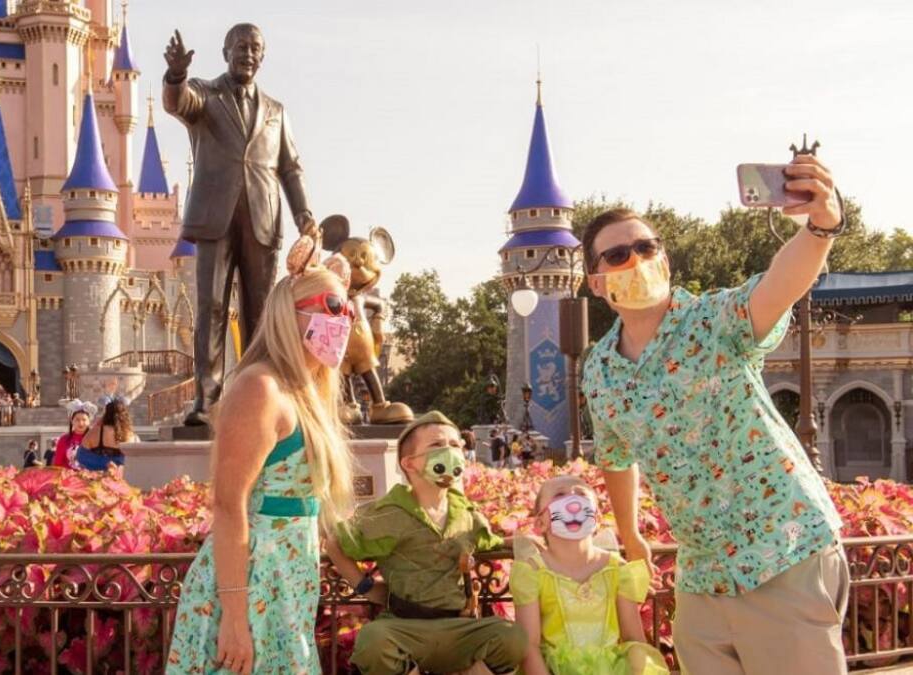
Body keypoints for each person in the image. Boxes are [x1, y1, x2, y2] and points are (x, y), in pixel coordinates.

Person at [581, 153, 847, 674]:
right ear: (596, 282)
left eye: (646, 247)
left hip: (782, 551)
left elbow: (779, 284)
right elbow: (615, 455)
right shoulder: (600, 372)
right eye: (617, 255)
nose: (636, 260)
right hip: (703, 577)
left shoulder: (714, 320)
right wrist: (631, 534)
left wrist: (821, 227)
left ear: (664, 258)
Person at [166, 267, 356, 675]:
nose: (345, 320)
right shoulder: (260, 387)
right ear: (290, 313)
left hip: (287, 586)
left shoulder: (307, 394)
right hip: (252, 588)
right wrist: (235, 619)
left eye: (350, 310)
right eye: (334, 306)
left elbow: (314, 510)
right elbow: (229, 504)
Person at [163, 23, 318, 427]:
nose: (248, 54)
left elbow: (291, 168)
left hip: (263, 217)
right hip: (215, 216)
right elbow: (178, 102)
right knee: (211, 306)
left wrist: (304, 214)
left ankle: (258, 392)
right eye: (241, 47)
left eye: (255, 48)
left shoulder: (276, 111)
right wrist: (176, 75)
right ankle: (207, 399)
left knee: (262, 312)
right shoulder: (205, 94)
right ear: (225, 50)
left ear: (262, 57)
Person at [326, 411, 527, 675]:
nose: (450, 450)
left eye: (456, 445)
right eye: (437, 445)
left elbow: (491, 542)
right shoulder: (388, 513)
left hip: (460, 627)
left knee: (512, 638)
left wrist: (526, 542)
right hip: (406, 627)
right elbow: (335, 543)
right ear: (409, 463)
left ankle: (471, 668)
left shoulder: (466, 513)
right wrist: (366, 587)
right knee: (373, 642)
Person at [511, 475, 668, 675]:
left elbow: (633, 638)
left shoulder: (617, 569)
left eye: (582, 494)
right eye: (560, 494)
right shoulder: (532, 572)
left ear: (597, 518)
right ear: (541, 521)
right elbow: (530, 646)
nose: (573, 501)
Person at [82, 396, 139, 469]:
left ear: (106, 414)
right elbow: (136, 460)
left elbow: (81, 456)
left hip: (99, 477)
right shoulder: (131, 435)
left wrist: (104, 463)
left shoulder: (95, 432)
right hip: (123, 477)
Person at [51, 400, 96, 469]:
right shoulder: (64, 439)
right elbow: (58, 464)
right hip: (68, 478)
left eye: (84, 420)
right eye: (77, 420)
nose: (81, 423)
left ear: (89, 421)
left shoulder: (95, 439)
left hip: (89, 478)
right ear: (72, 421)